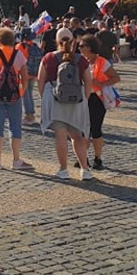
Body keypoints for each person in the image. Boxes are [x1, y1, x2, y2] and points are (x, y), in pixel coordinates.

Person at [38, 28, 93, 180]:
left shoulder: (48, 57)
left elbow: (40, 80)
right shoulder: (80, 60)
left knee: (60, 135)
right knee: (77, 136)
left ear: (56, 41)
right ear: (73, 41)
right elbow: (89, 81)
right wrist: (85, 99)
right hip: (77, 99)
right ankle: (85, 170)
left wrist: (46, 97)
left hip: (55, 98)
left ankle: (63, 170)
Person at [0, 26, 33, 171]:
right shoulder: (19, 54)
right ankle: (16, 160)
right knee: (15, 127)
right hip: (14, 95)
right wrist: (21, 92)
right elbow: (25, 77)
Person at [80, 34, 121, 170]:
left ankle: (98, 158)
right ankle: (82, 157)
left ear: (90, 47)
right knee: (82, 129)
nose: (79, 48)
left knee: (95, 129)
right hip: (83, 98)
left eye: (82, 46)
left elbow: (115, 78)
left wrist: (101, 83)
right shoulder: (81, 61)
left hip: (97, 99)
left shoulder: (102, 62)